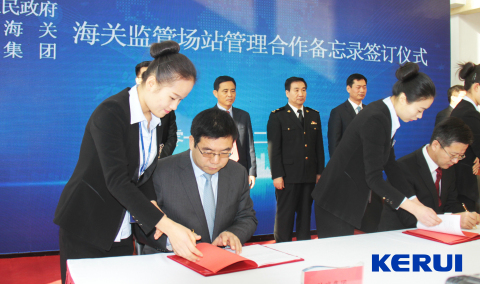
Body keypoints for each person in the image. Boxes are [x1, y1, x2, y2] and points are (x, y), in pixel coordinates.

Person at [54, 41, 202, 283]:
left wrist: (153, 206)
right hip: (87, 224)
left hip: (120, 227)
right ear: (151, 83)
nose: (174, 106)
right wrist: (168, 225)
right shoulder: (111, 113)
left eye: (181, 100)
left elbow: (141, 174)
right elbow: (117, 180)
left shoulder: (158, 117)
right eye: (173, 97)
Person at [311, 62, 442, 239]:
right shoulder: (376, 117)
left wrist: (416, 201)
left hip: (350, 197)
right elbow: (373, 177)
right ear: (403, 98)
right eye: (420, 110)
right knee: (337, 261)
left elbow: (391, 166)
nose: (420, 116)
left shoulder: (385, 115)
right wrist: (414, 209)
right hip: (335, 199)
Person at [138, 109, 258, 254]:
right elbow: (141, 226)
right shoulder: (160, 171)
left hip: (220, 261)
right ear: (192, 142)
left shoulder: (238, 172)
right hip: (170, 261)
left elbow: (246, 216)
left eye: (224, 153)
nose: (216, 161)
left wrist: (234, 233)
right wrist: (173, 242)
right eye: (207, 152)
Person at [378, 117, 480, 231]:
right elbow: (409, 218)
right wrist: (454, 219)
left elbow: (451, 203)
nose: (456, 161)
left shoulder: (447, 166)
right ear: (436, 145)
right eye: (453, 155)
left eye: (460, 156)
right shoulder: (403, 168)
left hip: (433, 234)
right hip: (400, 235)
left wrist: (467, 216)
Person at [267, 77, 325, 243]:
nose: (301, 93)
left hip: (308, 175)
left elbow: (318, 147)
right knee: (285, 215)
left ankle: (303, 246)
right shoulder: (277, 116)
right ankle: (282, 247)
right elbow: (274, 149)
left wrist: (319, 171)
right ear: (287, 93)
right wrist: (277, 175)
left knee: (305, 215)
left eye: (304, 90)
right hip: (287, 176)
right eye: (296, 90)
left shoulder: (313, 115)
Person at [327, 73, 382, 233]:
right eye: (358, 87)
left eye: (364, 87)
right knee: (349, 209)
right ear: (348, 88)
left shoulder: (372, 111)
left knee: (369, 209)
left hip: (369, 169)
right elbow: (334, 144)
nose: (362, 90)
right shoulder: (338, 112)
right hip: (348, 171)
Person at [211, 76, 257, 189]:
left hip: (240, 170)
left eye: (233, 91)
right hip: (217, 170)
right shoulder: (208, 116)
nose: (230, 95)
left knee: (241, 204)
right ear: (215, 93)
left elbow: (249, 146)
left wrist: (252, 172)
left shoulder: (244, 116)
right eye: (225, 91)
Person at [450, 62, 480, 212]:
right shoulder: (469, 113)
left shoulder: (463, 109)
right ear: (476, 87)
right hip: (464, 181)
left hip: (461, 180)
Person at [135, 60, 177, 158]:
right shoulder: (126, 106)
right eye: (145, 76)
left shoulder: (167, 106)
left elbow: (171, 137)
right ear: (138, 80)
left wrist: (160, 159)